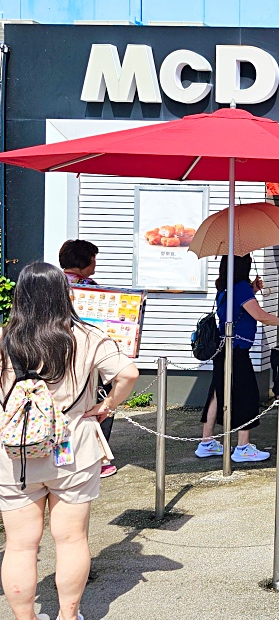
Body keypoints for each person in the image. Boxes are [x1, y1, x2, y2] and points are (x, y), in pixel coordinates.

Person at [0, 262, 139, 620]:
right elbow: (129, 372)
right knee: (72, 539)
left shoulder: (4, 338)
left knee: (18, 545)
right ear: (64, 294)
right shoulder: (87, 336)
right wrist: (106, 405)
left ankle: (24, 618)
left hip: (15, 454)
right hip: (72, 447)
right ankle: (67, 615)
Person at [196, 255, 279, 463]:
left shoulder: (224, 286)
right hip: (237, 350)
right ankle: (243, 447)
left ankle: (206, 442)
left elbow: (236, 308)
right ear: (243, 266)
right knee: (245, 395)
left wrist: (253, 289)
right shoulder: (240, 287)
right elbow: (260, 315)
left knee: (216, 393)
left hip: (222, 349)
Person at [57, 240, 118, 481]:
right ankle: (98, 461)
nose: (95, 264)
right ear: (84, 263)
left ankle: (62, 459)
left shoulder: (51, 284)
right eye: (93, 259)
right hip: (88, 361)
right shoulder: (89, 288)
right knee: (97, 409)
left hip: (56, 360)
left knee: (61, 413)